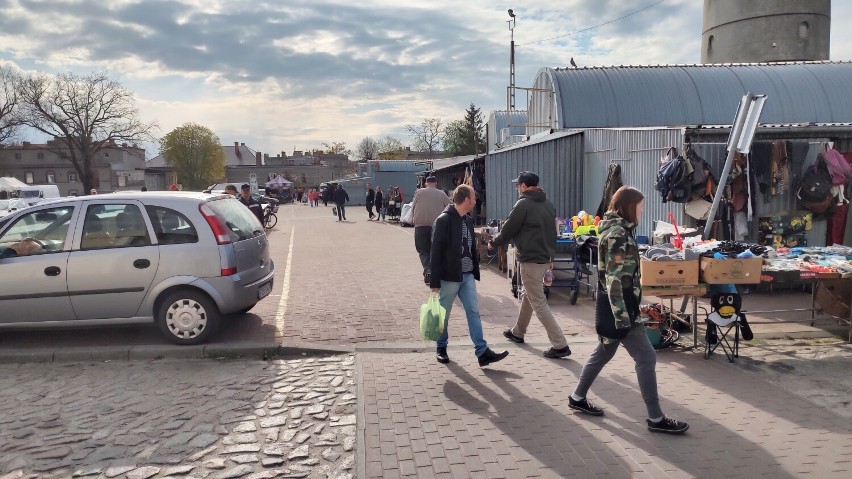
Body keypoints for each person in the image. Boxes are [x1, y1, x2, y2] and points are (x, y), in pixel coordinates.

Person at [568, 186, 689, 435]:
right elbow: (613, 280)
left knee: (603, 352)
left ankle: (577, 397)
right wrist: (623, 317)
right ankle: (656, 418)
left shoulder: (618, 231)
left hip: (621, 306)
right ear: (628, 207)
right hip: (621, 309)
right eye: (640, 206)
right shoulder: (617, 235)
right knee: (646, 358)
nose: (642, 211)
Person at [489, 171, 571, 359]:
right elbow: (553, 233)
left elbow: (509, 228)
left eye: (519, 185)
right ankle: (518, 332)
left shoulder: (523, 204)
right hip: (543, 258)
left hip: (530, 259)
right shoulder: (548, 205)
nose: (518, 188)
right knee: (530, 295)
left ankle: (560, 344)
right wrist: (551, 257)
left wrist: (494, 242)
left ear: (525, 186)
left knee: (538, 302)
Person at [430, 184, 508, 367]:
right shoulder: (443, 220)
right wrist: (434, 281)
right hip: (449, 276)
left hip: (467, 276)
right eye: (473, 198)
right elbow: (435, 252)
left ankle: (482, 352)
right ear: (466, 199)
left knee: (473, 311)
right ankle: (441, 347)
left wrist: (475, 268)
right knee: (444, 314)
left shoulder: (468, 220)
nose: (475, 201)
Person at [411, 176, 451, 284]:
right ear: (436, 184)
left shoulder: (419, 192)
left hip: (420, 226)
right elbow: (451, 206)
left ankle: (428, 271)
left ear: (425, 183)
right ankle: (434, 272)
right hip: (436, 226)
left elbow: (413, 206)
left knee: (423, 250)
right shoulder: (441, 194)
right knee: (435, 251)